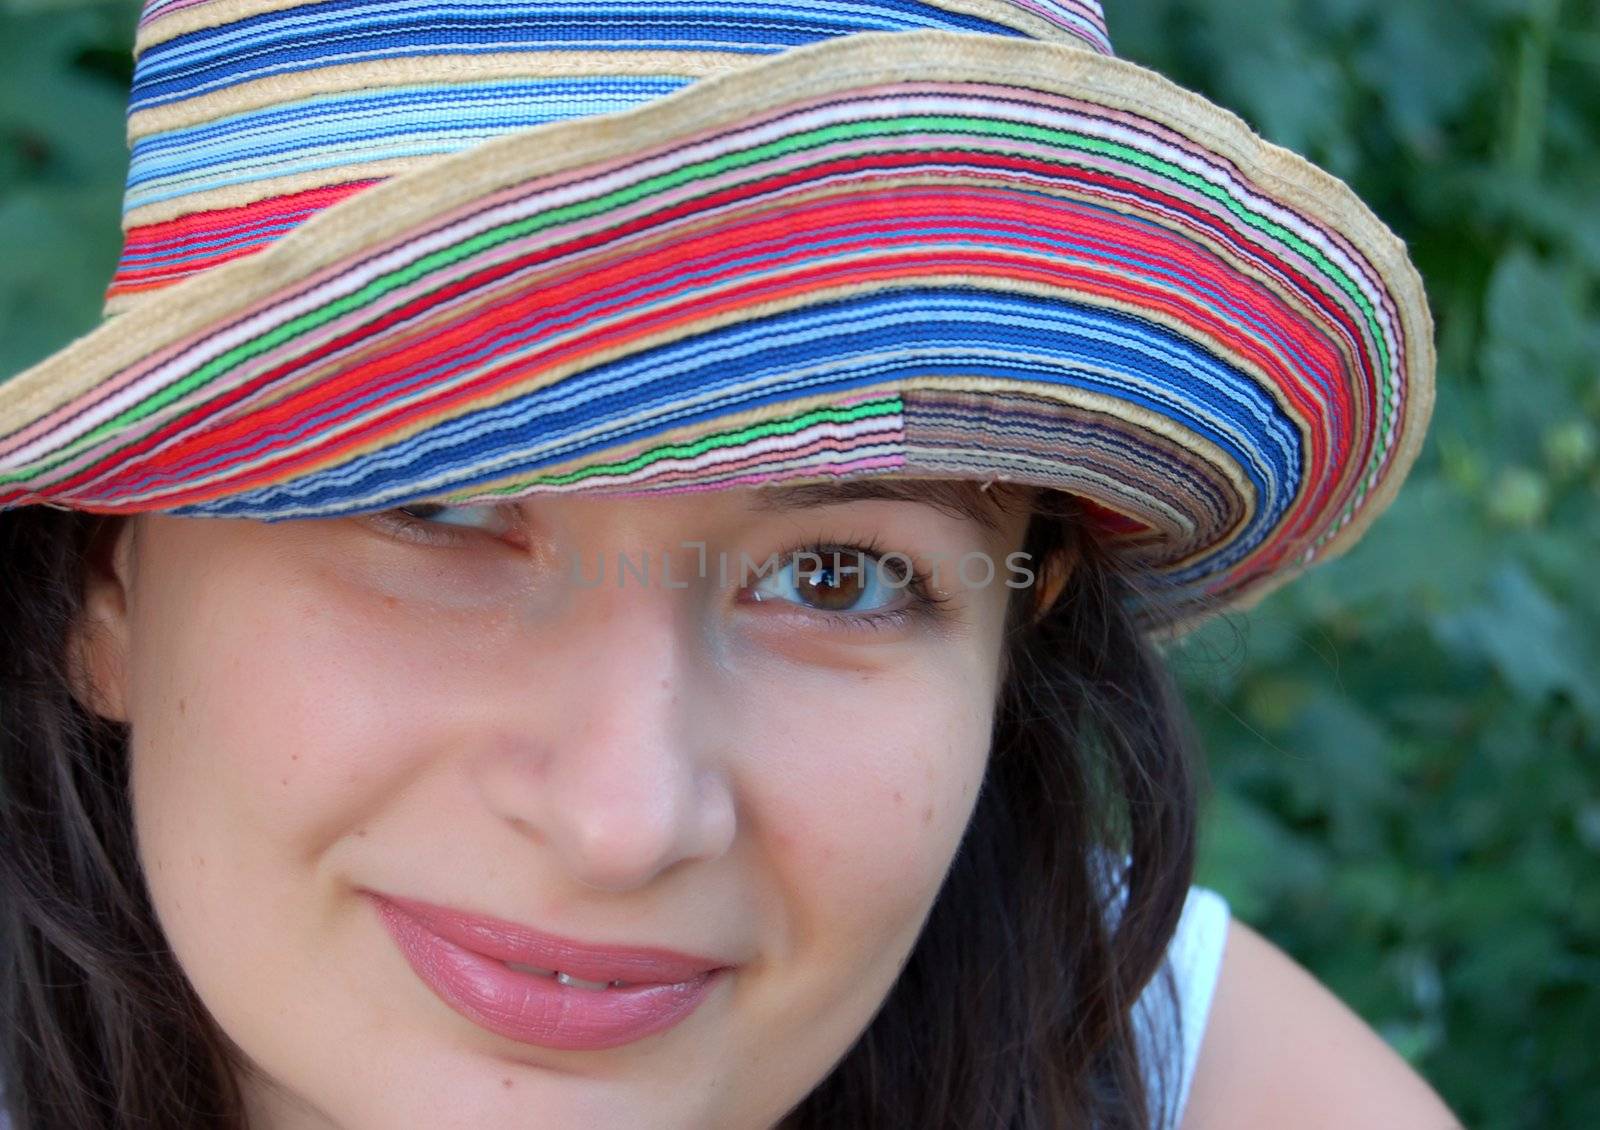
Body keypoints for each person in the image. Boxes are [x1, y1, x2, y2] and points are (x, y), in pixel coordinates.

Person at [0, 1, 1463, 1127]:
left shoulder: (1197, 1083)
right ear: (109, 589)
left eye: (839, 574)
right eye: (440, 512)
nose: (622, 819)